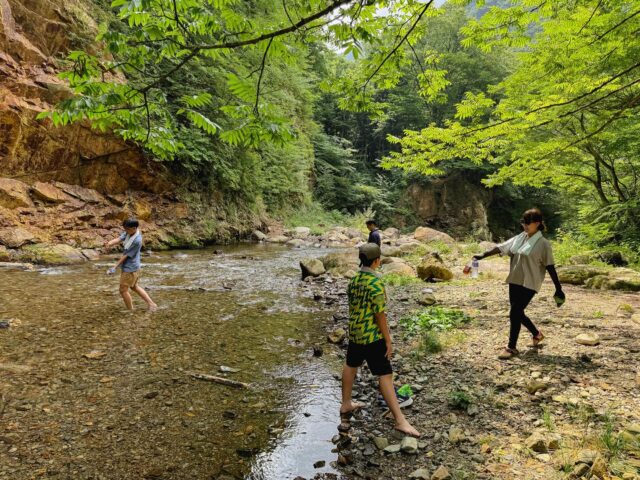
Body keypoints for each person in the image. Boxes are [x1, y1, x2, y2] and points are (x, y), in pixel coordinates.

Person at [340, 243, 420, 437]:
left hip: (355, 334)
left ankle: (346, 404)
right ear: (377, 261)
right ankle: (400, 421)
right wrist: (388, 340)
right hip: (372, 337)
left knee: (351, 366)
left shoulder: (353, 280)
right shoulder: (375, 283)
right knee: (385, 375)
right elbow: (380, 315)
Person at [469, 208, 564, 359]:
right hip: (515, 279)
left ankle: (511, 347)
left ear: (538, 223)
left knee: (514, 313)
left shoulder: (543, 244)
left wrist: (558, 289)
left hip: (530, 283)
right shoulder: (520, 237)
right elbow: (502, 247)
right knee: (518, 312)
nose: (525, 225)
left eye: (528, 222)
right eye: (523, 222)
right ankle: (537, 334)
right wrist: (482, 255)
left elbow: (550, 266)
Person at [104, 218, 157, 312]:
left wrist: (114, 267)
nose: (125, 231)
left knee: (123, 290)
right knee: (134, 286)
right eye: (124, 229)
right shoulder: (130, 232)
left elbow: (126, 256)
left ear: (134, 228)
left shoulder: (137, 240)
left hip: (130, 268)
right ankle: (151, 303)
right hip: (134, 266)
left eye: (127, 229)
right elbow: (120, 238)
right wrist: (109, 243)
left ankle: (130, 310)